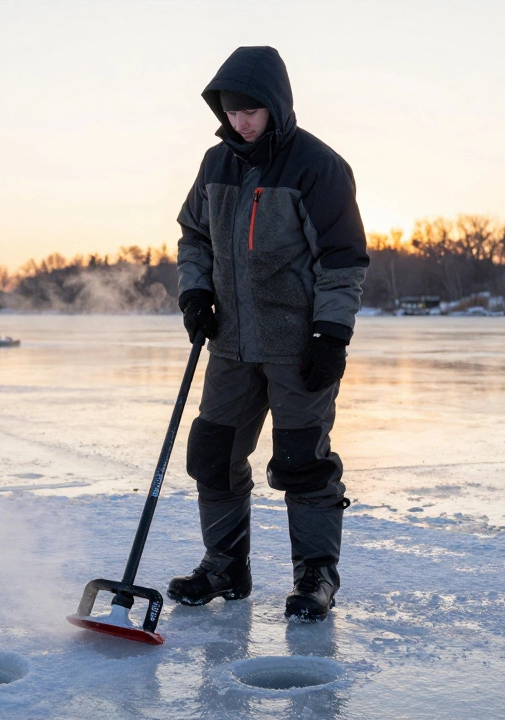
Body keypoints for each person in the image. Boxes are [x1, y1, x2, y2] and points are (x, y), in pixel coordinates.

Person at [169, 46, 368, 622]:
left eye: (251, 111)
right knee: (213, 453)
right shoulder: (215, 165)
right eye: (231, 112)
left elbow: (343, 260)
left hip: (296, 347)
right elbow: (193, 237)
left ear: (275, 106)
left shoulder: (318, 166)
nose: (241, 122)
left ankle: (315, 575)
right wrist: (195, 292)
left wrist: (331, 336)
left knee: (303, 461)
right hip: (230, 344)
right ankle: (225, 566)